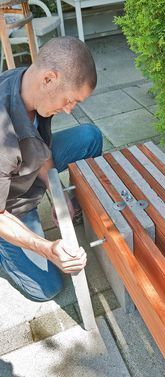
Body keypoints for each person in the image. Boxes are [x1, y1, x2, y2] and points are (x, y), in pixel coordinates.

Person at [0, 36, 103, 302]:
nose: (70, 110)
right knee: (47, 288)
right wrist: (47, 248)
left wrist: (58, 195)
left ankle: (81, 209)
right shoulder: (3, 137)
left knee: (90, 136)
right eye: (70, 100)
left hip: (23, 170)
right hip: (10, 206)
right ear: (49, 79)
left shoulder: (26, 84)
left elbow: (40, 144)